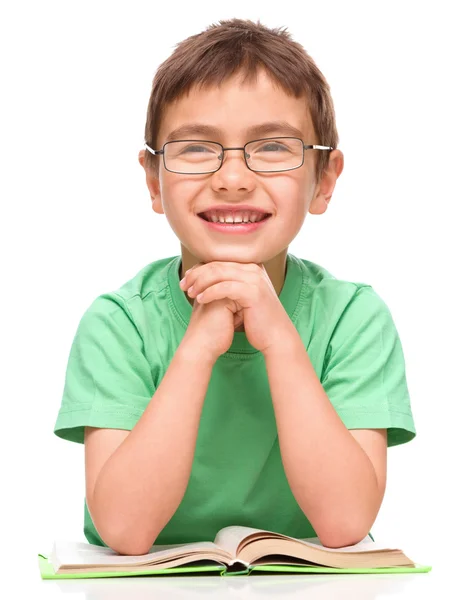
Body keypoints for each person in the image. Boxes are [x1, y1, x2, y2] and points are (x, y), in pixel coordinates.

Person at [53, 18, 416, 556]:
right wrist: (197, 347)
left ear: (326, 179)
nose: (232, 178)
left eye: (272, 147)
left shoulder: (353, 318)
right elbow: (124, 533)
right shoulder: (119, 322)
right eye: (197, 149)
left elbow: (344, 524)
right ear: (154, 182)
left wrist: (280, 341)